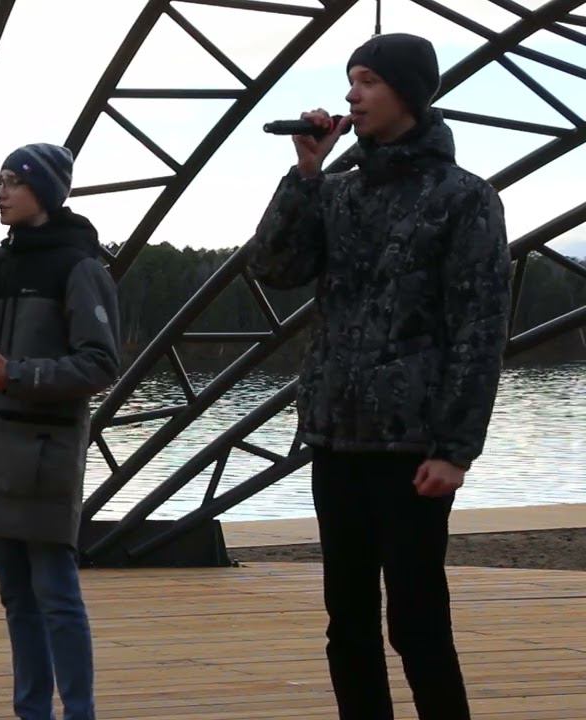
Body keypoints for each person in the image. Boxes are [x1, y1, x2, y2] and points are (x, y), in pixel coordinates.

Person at [246, 33, 511, 720]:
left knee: (417, 624)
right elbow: (274, 267)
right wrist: (305, 174)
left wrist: (455, 449)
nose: (351, 95)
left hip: (414, 448)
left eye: (367, 80)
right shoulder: (338, 193)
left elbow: (480, 330)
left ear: (409, 93)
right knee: (348, 623)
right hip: (337, 437)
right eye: (350, 80)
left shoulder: (465, 198)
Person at [0, 143, 121, 720]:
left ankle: (79, 713)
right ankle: (32, 711)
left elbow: (100, 364)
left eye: (14, 181)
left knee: (57, 596)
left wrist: (14, 374)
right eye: (0, 180)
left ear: (46, 191)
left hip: (42, 456)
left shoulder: (79, 267)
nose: (1, 191)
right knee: (17, 598)